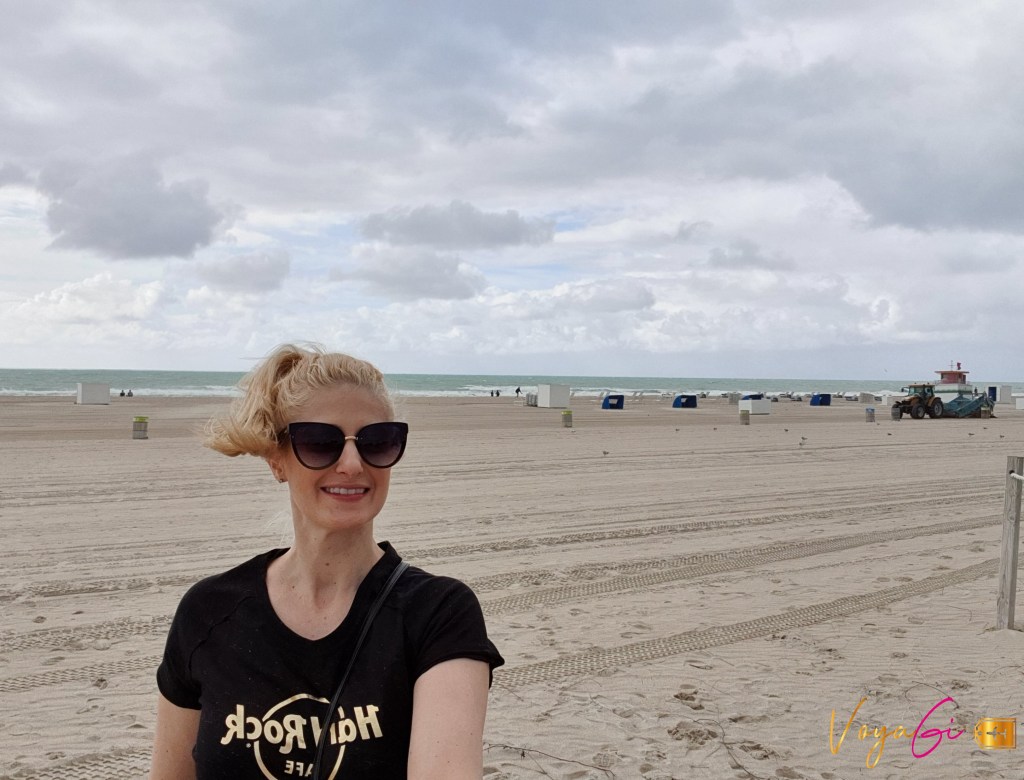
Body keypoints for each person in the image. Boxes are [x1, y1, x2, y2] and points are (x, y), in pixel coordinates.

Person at [149, 343, 503, 779]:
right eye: (320, 443)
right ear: (277, 460)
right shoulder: (208, 611)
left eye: (377, 442)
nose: (352, 464)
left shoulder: (437, 614)